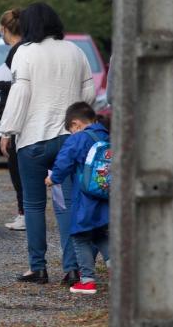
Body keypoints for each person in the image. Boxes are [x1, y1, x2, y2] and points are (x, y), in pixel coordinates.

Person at [0, 2, 95, 286]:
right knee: (67, 206)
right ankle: (73, 268)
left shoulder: (25, 53)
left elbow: (20, 95)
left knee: (34, 205)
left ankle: (38, 268)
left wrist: (7, 131)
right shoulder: (75, 51)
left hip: (32, 140)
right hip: (69, 140)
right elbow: (88, 93)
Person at [45, 102, 110, 294]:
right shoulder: (106, 135)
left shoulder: (78, 139)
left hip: (85, 199)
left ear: (76, 124)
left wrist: (53, 178)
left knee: (80, 236)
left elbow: (64, 161)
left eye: (71, 130)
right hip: (105, 196)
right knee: (100, 235)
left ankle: (87, 280)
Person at [0, 9, 27, 231]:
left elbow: (18, 86)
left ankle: (24, 213)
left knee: (17, 167)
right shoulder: (24, 49)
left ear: (4, 28)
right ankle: (25, 212)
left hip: (17, 119)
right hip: (25, 118)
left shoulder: (18, 51)